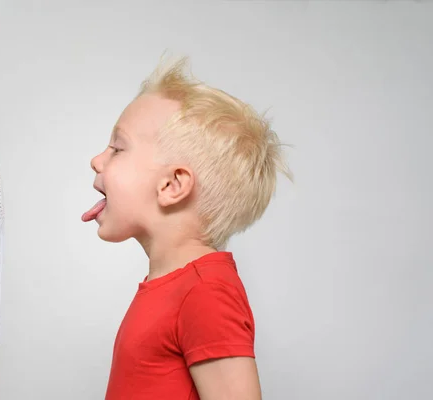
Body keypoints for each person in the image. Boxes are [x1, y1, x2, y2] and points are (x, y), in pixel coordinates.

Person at [82, 55, 291, 399]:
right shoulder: (168, 286)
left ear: (172, 186)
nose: (97, 159)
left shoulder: (206, 291)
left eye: (117, 148)